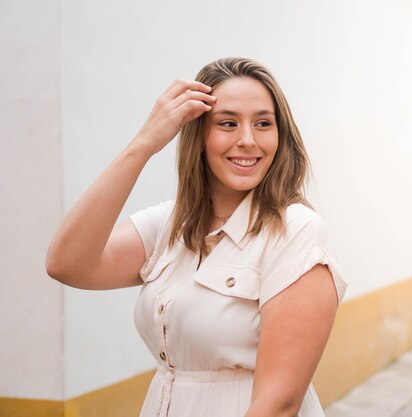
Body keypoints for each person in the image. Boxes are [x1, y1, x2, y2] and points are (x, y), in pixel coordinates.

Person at [46, 57, 348, 417]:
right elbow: (67, 265)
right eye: (227, 123)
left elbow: (278, 405)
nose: (248, 140)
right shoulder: (170, 223)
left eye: (264, 123)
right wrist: (143, 144)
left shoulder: (296, 231)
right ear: (198, 134)